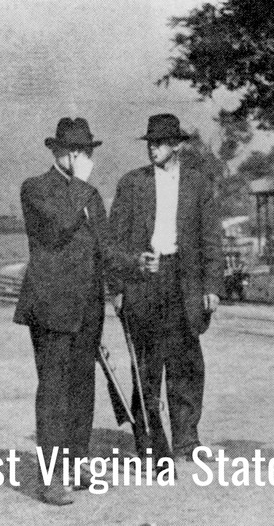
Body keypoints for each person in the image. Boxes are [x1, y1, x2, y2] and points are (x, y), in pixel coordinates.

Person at [109, 114, 222, 467]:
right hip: (144, 280)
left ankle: (187, 441)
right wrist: (120, 281)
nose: (152, 148)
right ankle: (146, 441)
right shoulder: (132, 184)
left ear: (177, 145)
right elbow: (112, 243)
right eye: (149, 143)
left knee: (186, 361)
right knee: (145, 363)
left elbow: (211, 239)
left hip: (183, 281)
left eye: (158, 143)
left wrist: (212, 286)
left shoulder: (198, 183)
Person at [13, 117, 109, 506]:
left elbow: (104, 246)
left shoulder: (90, 194)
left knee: (83, 387)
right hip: (51, 307)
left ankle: (77, 461)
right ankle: (52, 477)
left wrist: (135, 267)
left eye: (87, 151)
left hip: (88, 306)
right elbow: (57, 227)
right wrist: (82, 185)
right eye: (77, 151)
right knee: (54, 391)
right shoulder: (36, 189)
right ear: (60, 153)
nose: (84, 158)